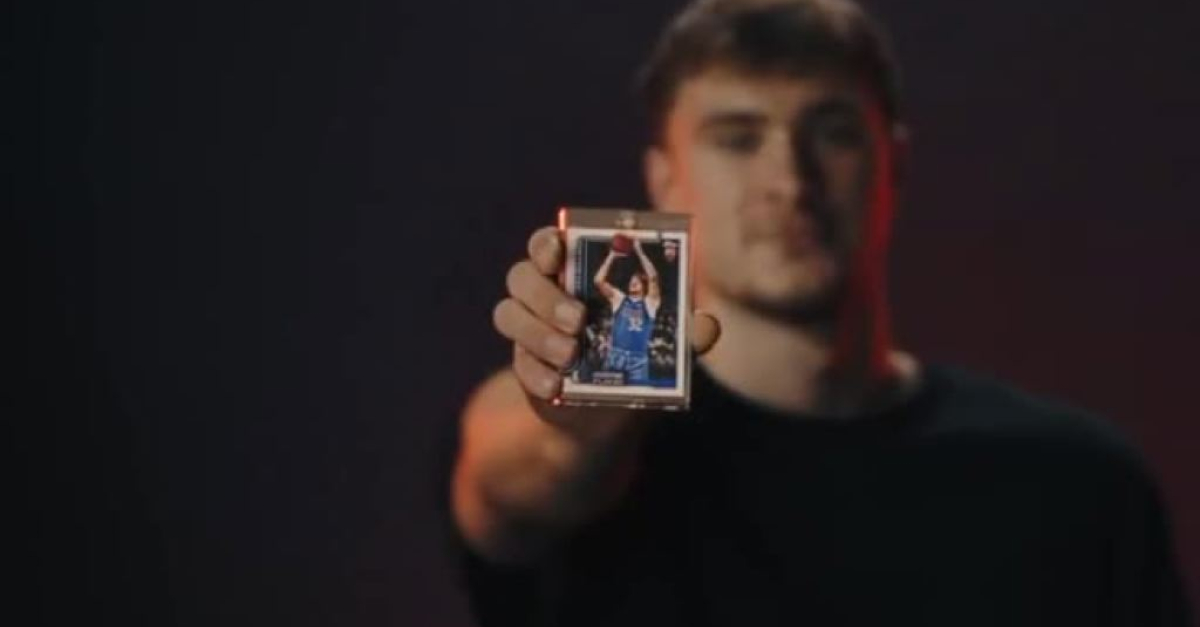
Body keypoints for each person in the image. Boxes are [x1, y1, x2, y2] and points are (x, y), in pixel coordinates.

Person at [445, 0, 1194, 625]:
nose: (789, 180)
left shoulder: (1080, 486)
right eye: (738, 139)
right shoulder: (601, 453)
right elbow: (523, 474)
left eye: (831, 132)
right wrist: (578, 437)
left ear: (894, 162)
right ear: (663, 180)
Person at [594, 238, 661, 385]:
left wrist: (639, 251)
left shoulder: (650, 303)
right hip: (615, 355)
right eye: (631, 280)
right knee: (608, 395)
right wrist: (611, 255)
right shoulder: (620, 299)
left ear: (644, 285)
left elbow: (653, 277)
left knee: (637, 396)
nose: (633, 282)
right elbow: (598, 280)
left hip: (638, 359)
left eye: (637, 280)